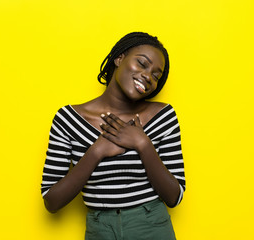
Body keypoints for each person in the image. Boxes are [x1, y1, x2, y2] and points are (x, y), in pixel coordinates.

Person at [41, 32, 186, 240]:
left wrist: (142, 143)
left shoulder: (163, 116)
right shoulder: (68, 119)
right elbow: (51, 201)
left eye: (156, 76)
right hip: (100, 230)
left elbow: (175, 195)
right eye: (142, 63)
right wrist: (97, 151)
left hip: (152, 227)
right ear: (119, 58)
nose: (148, 76)